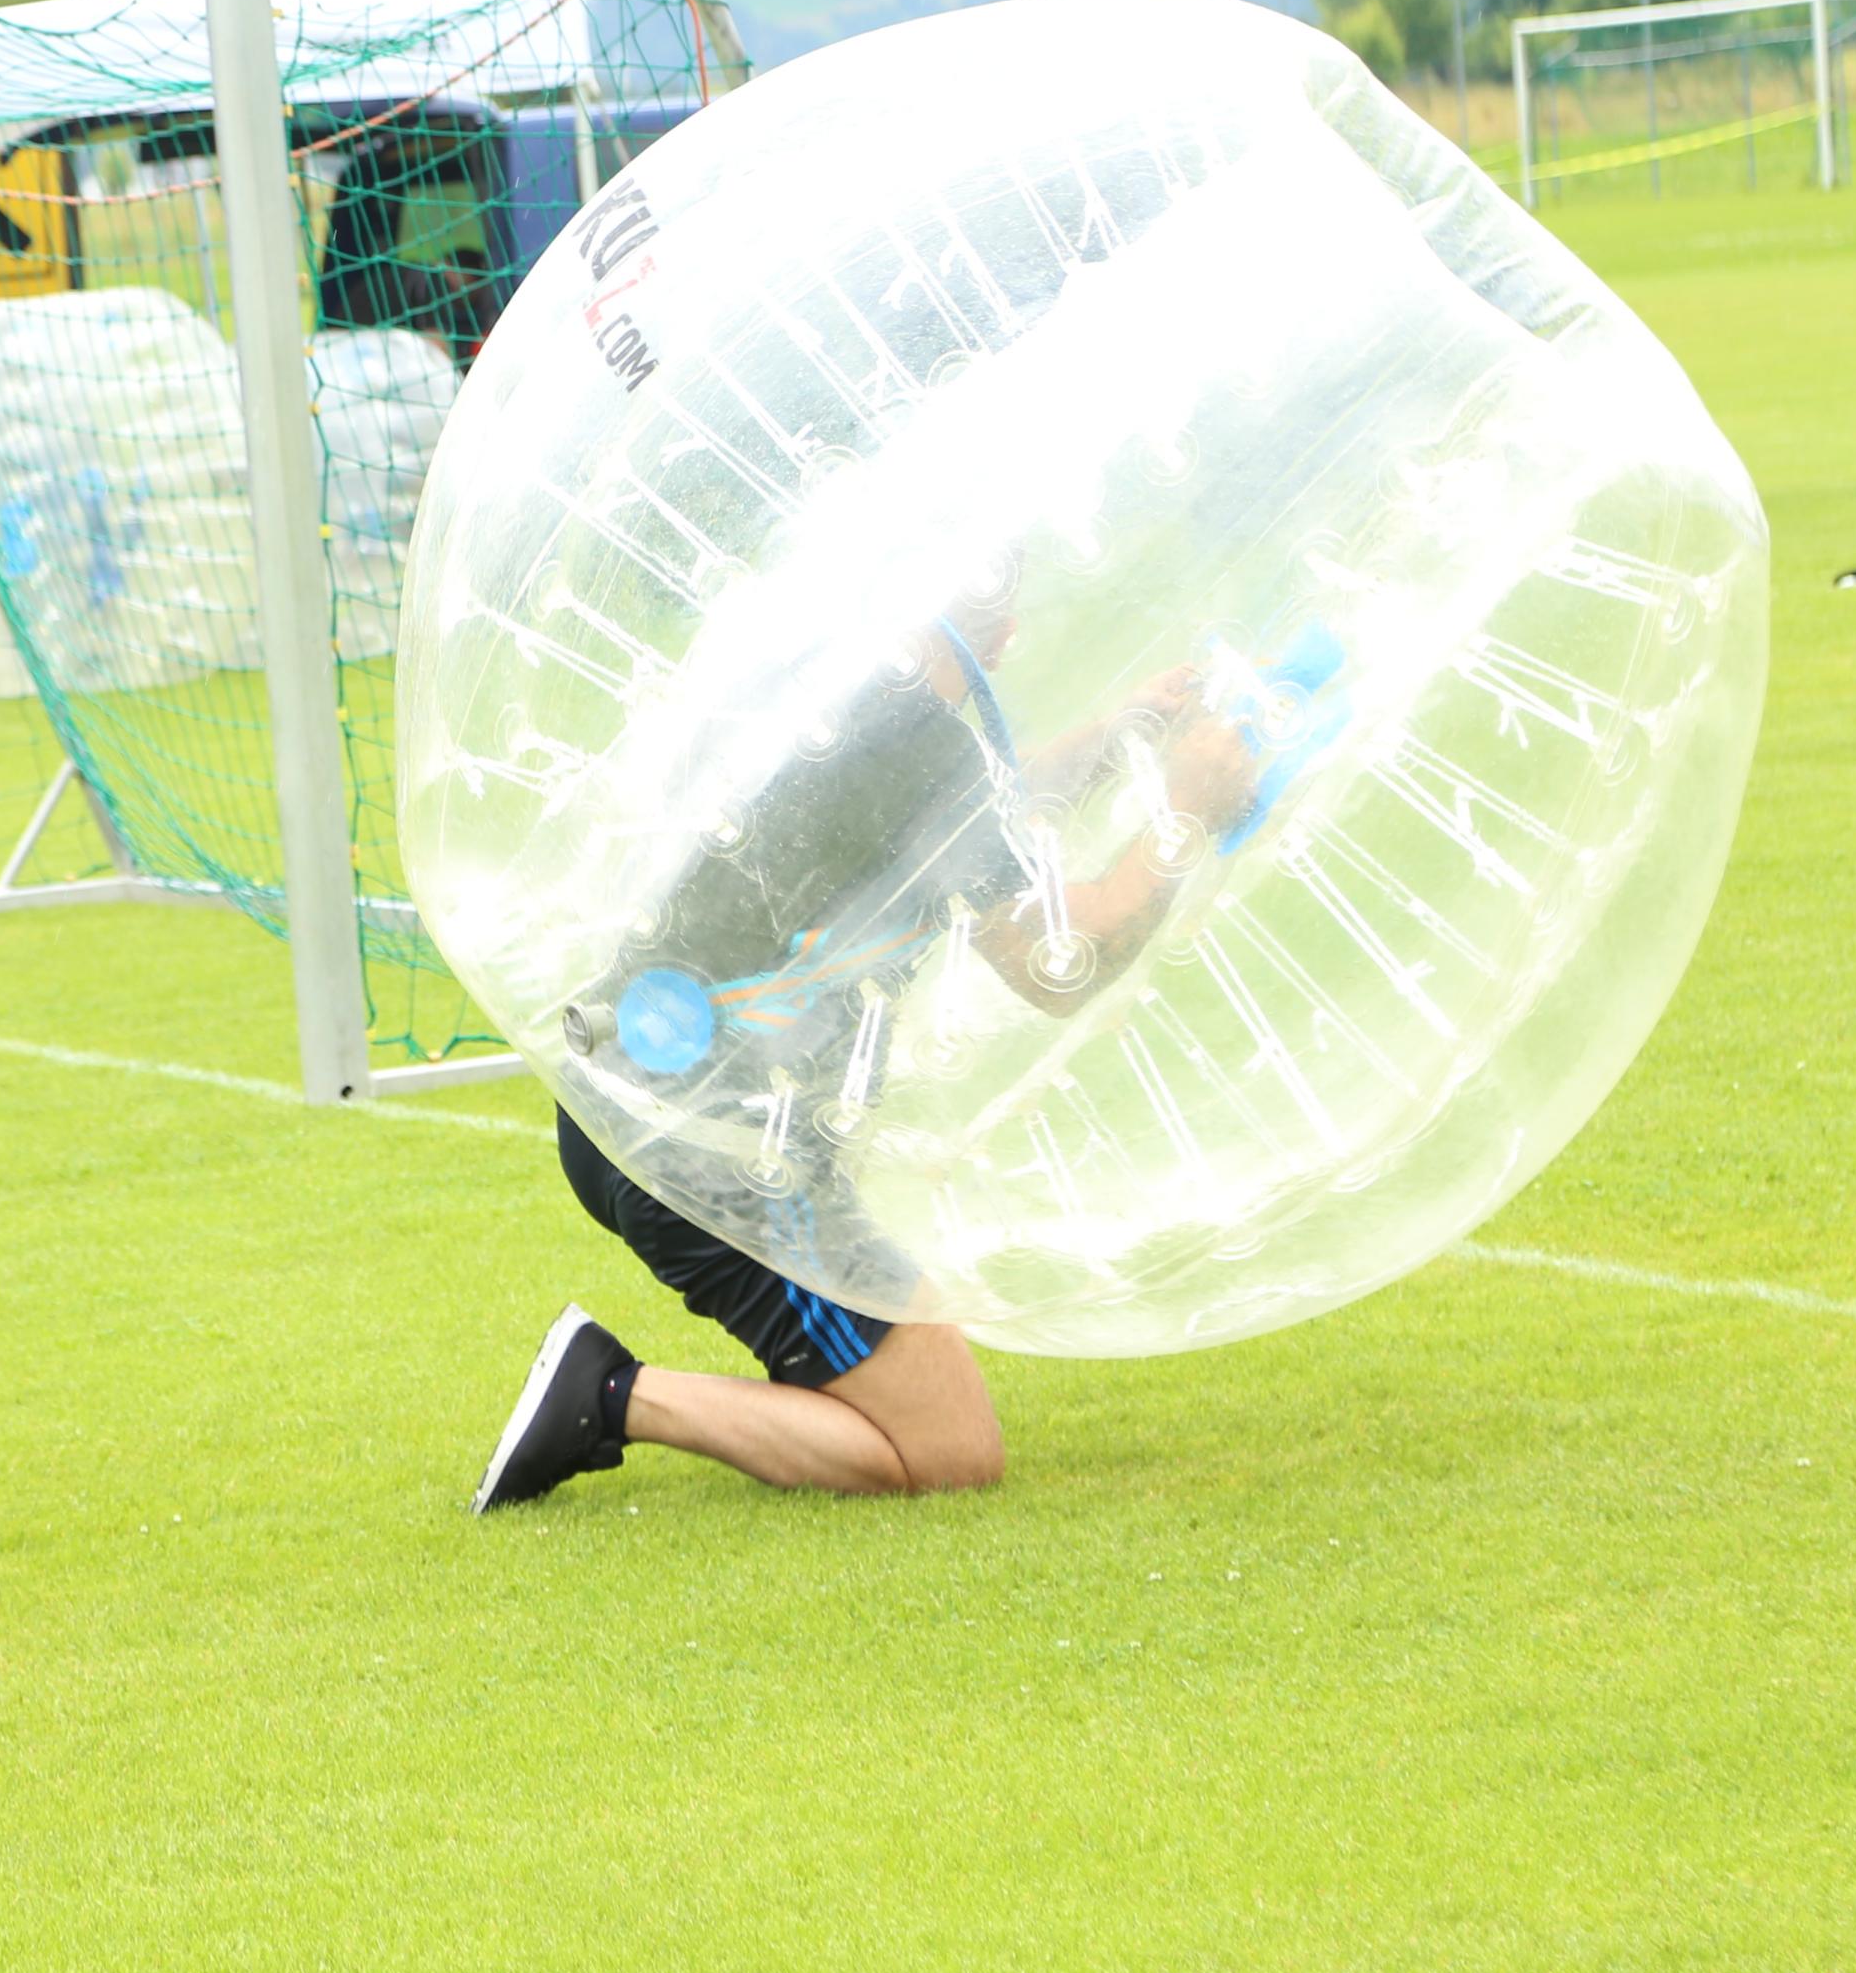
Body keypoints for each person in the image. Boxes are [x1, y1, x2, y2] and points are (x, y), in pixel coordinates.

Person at [473, 603, 1273, 1511]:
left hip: (634, 1101)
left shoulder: (827, 696)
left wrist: (1117, 733)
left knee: (902, 1391)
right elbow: (1063, 958)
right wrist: (1189, 811)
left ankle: (769, 1395)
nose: (1013, 631)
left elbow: (944, 831)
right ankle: (609, 1394)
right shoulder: (923, 749)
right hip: (729, 1153)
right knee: (948, 1451)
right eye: (1003, 598)